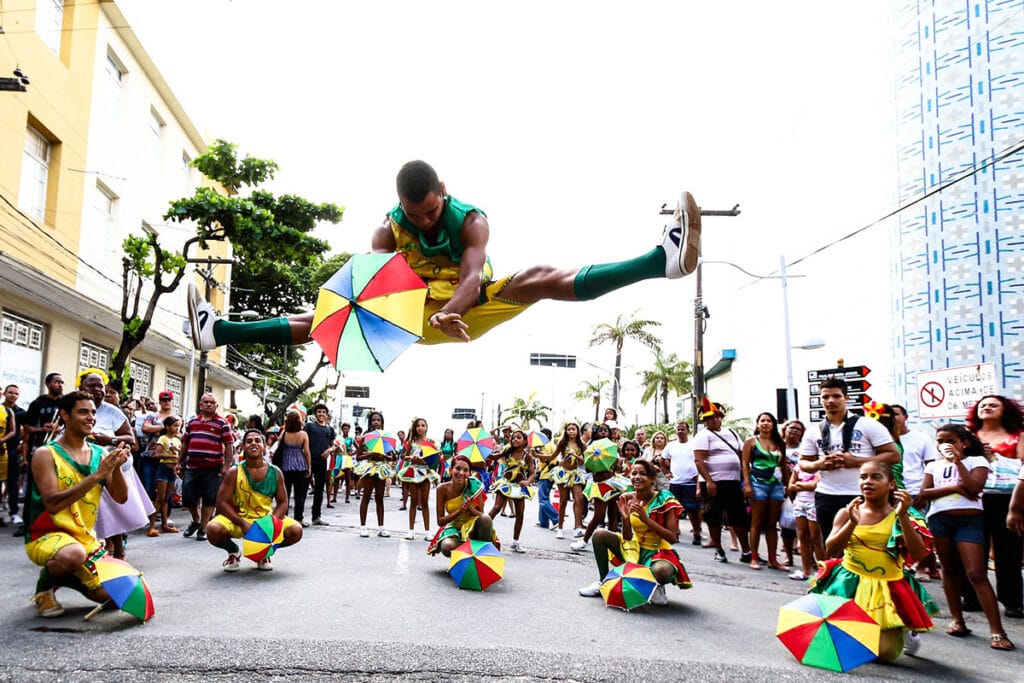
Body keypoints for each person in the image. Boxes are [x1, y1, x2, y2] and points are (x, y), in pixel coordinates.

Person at [187, 161, 702, 352]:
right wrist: (365, 315)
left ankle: (662, 261)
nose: (426, 221)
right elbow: (375, 288)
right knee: (318, 318)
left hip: (464, 306)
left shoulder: (471, 220)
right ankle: (219, 332)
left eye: (432, 211)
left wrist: (454, 307)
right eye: (417, 215)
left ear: (443, 193)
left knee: (540, 277)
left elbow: (474, 276)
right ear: (402, 207)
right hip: (413, 310)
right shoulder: (387, 232)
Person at [809, 461, 938, 661]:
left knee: (884, 655)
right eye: (863, 477)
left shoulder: (903, 515)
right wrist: (852, 522)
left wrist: (903, 516)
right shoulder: (847, 512)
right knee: (843, 644)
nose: (868, 482)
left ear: (892, 484)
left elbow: (919, 554)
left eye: (876, 477)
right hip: (849, 583)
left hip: (888, 587)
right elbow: (831, 549)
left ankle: (903, 631)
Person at [24, 390, 129, 617]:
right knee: (73, 555)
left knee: (117, 598)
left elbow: (121, 498)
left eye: (92, 412)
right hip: (45, 535)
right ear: (64, 415)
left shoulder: (100, 454)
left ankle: (67, 578)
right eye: (83, 412)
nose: (90, 417)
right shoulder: (46, 453)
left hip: (83, 539)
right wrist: (96, 477)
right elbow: (52, 504)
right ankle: (43, 591)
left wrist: (117, 468)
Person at [919, 424, 1013, 650]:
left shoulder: (976, 461)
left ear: (964, 443)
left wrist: (958, 463)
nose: (944, 445)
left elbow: (974, 488)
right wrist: (955, 487)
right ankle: (957, 620)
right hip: (940, 520)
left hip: (968, 521)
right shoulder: (933, 466)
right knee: (949, 570)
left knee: (976, 572)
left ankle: (997, 630)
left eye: (950, 441)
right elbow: (924, 494)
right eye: (940, 441)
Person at [578, 459, 693, 606]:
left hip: (658, 552)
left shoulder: (664, 499)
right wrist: (625, 519)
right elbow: (627, 537)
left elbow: (672, 538)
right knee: (600, 534)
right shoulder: (627, 497)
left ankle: (656, 585)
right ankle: (604, 582)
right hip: (634, 548)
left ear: (652, 479)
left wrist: (646, 520)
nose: (637, 477)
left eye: (643, 474)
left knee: (663, 571)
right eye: (634, 473)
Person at [798, 378, 899, 541]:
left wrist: (857, 462)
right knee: (830, 544)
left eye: (836, 396)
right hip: (827, 494)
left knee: (865, 542)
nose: (830, 401)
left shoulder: (868, 425)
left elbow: (894, 455)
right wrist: (820, 464)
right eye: (825, 397)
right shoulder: (813, 430)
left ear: (846, 398)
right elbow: (804, 463)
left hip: (862, 493)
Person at [206, 429, 302, 572]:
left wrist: (269, 525)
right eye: (249, 441)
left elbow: (283, 502)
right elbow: (221, 503)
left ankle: (264, 552)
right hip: (239, 520)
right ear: (243, 446)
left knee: (296, 530)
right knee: (212, 529)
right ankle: (233, 552)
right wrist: (243, 523)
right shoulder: (234, 471)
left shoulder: (275, 472)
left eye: (258, 440)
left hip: (265, 519)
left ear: (264, 446)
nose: (253, 444)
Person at [966, 395, 1024, 619]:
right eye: (983, 405)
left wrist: (1017, 507)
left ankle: (1012, 601)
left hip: (1007, 498)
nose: (987, 408)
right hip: (973, 497)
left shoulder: (1017, 435)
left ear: (1005, 410)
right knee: (972, 549)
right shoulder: (969, 437)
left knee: (1007, 551)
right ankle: (972, 597)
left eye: (993, 405)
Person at [692, 398, 751, 563]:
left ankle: (746, 551)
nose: (715, 419)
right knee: (713, 516)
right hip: (714, 483)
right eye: (711, 417)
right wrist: (709, 481)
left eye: (718, 416)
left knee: (738, 516)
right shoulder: (703, 435)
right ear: (705, 420)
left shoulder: (731, 432)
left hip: (733, 481)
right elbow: (699, 460)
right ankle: (718, 549)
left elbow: (742, 454)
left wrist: (744, 479)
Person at [178, 393, 234, 542]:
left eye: (212, 402)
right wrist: (179, 462)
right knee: (188, 497)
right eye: (206, 402)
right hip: (192, 465)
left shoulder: (222, 423)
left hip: (213, 467)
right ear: (201, 405)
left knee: (209, 499)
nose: (209, 404)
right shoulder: (192, 422)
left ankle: (203, 527)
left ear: (216, 406)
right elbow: (185, 443)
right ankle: (196, 520)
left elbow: (229, 445)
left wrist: (226, 466)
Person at [741, 412, 789, 570]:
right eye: (762, 420)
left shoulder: (779, 443)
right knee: (756, 521)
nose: (765, 423)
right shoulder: (751, 442)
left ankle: (772, 559)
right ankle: (754, 557)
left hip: (776, 485)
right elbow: (745, 464)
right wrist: (747, 485)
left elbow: (783, 466)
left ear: (773, 424)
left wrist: (788, 485)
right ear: (757, 424)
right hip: (757, 484)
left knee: (772, 523)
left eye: (769, 421)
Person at [427, 454, 498, 557]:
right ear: (451, 470)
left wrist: (471, 509)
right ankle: (464, 556)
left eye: (465, 470)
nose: (461, 473)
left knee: (486, 518)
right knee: (447, 546)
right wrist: (459, 511)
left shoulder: (474, 486)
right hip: (454, 528)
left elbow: (482, 516)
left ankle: (482, 555)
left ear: (469, 473)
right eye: (458, 469)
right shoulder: (441, 489)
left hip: (473, 528)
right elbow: (440, 521)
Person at [573, 430, 629, 552]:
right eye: (600, 431)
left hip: (613, 483)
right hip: (599, 486)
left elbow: (618, 468)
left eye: (605, 431)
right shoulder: (591, 452)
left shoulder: (612, 453)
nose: (603, 433)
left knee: (613, 514)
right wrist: (594, 460)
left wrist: (618, 464)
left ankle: (613, 543)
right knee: (598, 516)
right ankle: (584, 541)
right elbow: (588, 469)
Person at [487, 429, 536, 553]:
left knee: (520, 514)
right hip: (506, 484)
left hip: (519, 487)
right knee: (496, 507)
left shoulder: (527, 456)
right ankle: (480, 529)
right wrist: (486, 452)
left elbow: (532, 473)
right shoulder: (507, 452)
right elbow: (493, 456)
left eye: (518, 437)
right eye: (513, 437)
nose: (515, 439)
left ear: (525, 441)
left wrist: (527, 482)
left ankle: (515, 541)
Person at [400, 418, 440, 541]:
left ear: (426, 427)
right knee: (413, 502)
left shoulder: (431, 442)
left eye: (423, 425)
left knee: (424, 502)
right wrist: (411, 458)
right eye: (418, 426)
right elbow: (403, 456)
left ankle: (427, 532)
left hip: (425, 472)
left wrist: (422, 461)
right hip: (413, 471)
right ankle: (411, 530)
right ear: (415, 428)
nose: (420, 428)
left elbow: (434, 460)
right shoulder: (410, 442)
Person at [355, 411, 393, 537]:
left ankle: (381, 527)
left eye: (378, 420)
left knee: (379, 498)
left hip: (381, 469)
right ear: (370, 422)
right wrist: (371, 454)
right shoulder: (366, 437)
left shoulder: (386, 437)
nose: (376, 422)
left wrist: (383, 456)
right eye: (373, 420)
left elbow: (391, 457)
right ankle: (363, 527)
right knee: (366, 496)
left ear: (382, 422)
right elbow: (359, 456)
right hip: (370, 468)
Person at [663, 421, 702, 546]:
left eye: (683, 429)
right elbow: (662, 459)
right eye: (678, 429)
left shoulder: (694, 444)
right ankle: (675, 534)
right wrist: (666, 472)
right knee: (673, 510)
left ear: (688, 431)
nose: (680, 432)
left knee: (692, 510)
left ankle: (697, 533)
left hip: (691, 482)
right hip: (675, 482)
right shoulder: (671, 445)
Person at [146, 415, 182, 536]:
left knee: (167, 498)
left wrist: (178, 458)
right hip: (163, 469)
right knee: (159, 499)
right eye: (175, 425)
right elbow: (156, 454)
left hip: (172, 471)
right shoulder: (162, 438)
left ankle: (165, 524)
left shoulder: (177, 440)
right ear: (167, 427)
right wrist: (172, 456)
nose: (177, 428)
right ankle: (151, 526)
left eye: (178, 426)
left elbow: (181, 455)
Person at [551, 422, 587, 540]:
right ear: (566, 432)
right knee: (563, 501)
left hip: (576, 473)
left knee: (579, 499)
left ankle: (577, 528)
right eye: (569, 429)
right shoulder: (563, 443)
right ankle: (560, 528)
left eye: (573, 429)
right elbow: (553, 456)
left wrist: (575, 455)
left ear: (578, 431)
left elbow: (583, 461)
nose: (571, 431)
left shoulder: (582, 445)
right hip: (563, 473)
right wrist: (539, 455)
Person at [278, 409, 312, 528]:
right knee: (300, 494)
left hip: (285, 466)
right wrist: (309, 466)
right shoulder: (303, 434)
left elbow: (279, 446)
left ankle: (284, 517)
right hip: (300, 466)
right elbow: (307, 452)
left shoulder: (284, 433)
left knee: (285, 493)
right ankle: (299, 518)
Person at [303, 404, 336, 526]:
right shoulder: (309, 426)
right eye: (319, 411)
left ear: (326, 414)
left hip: (322, 462)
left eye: (323, 412)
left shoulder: (329, 429)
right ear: (315, 414)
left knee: (319, 490)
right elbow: (303, 441)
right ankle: (299, 517)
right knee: (304, 489)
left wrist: (329, 450)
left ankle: (316, 517)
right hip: (309, 461)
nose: (321, 414)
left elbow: (333, 445)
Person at [4, 385, 26, 528]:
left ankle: (13, 512)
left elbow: (27, 431)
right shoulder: (1, 410)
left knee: (13, 482)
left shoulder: (21, 413)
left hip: (13, 450)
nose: (13, 395)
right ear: (5, 393)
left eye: (16, 393)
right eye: (10, 392)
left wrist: (21, 445)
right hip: (1, 449)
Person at [534, 427, 559, 529]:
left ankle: (556, 518)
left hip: (545, 474)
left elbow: (544, 459)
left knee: (543, 499)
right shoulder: (552, 445)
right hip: (549, 474)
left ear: (547, 436)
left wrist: (536, 454)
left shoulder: (547, 446)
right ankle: (543, 521)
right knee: (544, 498)